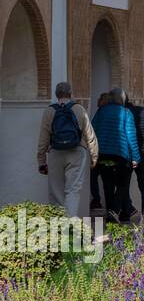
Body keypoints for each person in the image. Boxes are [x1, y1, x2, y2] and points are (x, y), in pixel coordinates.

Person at [37, 81, 98, 216]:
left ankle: (59, 225)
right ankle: (70, 223)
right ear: (70, 94)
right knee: (73, 190)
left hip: (56, 153)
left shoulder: (49, 111)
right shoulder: (79, 109)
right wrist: (94, 156)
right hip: (77, 152)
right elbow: (90, 134)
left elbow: (43, 139)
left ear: (56, 95)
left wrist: (41, 161)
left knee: (56, 190)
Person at [90, 88, 140, 223]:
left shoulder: (101, 111)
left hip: (103, 155)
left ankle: (111, 214)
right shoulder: (126, 112)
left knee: (108, 185)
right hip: (120, 155)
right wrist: (135, 157)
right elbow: (131, 136)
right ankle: (114, 210)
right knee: (123, 184)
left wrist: (93, 153)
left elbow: (92, 131)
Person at [87, 91, 111, 213]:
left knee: (93, 176)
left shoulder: (100, 113)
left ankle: (96, 200)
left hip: (99, 151)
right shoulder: (116, 112)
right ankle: (110, 207)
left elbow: (92, 129)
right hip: (111, 152)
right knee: (108, 181)